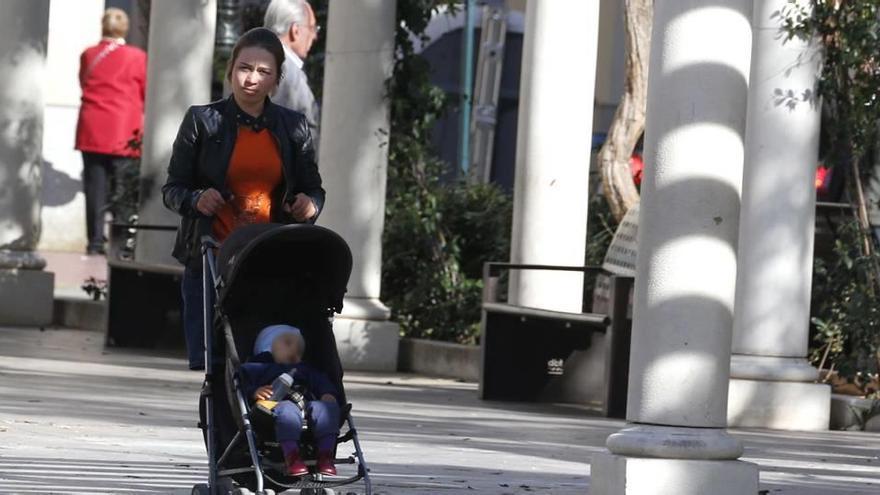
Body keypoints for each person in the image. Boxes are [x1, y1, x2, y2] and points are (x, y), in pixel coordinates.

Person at [161, 28, 325, 370]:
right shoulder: (202, 121)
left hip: (267, 258)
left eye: (263, 72)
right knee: (214, 360)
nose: (251, 79)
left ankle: (260, 420)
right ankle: (222, 421)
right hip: (211, 255)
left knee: (264, 353)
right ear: (230, 69)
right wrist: (195, 199)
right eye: (244, 68)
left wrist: (309, 204)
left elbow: (313, 188)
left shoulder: (293, 126)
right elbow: (173, 189)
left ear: (277, 79)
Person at [75, 7, 147, 255]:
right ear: (124, 29)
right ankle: (121, 241)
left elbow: (83, 80)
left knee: (95, 189)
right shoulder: (137, 57)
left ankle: (95, 242)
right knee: (123, 190)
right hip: (124, 130)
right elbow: (145, 92)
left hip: (92, 129)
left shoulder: (88, 54)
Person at [242, 324, 340, 477]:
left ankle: (326, 455)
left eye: (300, 348)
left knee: (326, 408)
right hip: (275, 405)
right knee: (287, 410)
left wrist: (328, 393)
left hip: (308, 404)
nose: (295, 349)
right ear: (267, 345)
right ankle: (292, 456)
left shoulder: (306, 369)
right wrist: (254, 392)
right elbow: (242, 384)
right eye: (288, 343)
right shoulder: (256, 367)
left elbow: (322, 382)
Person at [264, 0, 321, 145]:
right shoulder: (285, 70)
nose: (315, 36)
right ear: (295, 30)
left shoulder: (246, 61)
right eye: (312, 28)